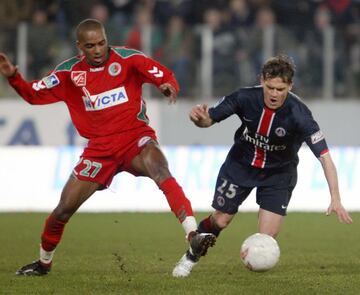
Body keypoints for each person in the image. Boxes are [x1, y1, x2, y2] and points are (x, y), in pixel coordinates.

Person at [0, 19, 216, 276]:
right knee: (63, 210)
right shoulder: (69, 73)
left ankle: (192, 233)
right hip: (99, 150)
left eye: (101, 43)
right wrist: (14, 77)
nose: (98, 50)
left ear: (106, 39)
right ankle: (43, 263)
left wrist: (168, 86)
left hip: (135, 138)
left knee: (161, 171)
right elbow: (33, 94)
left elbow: (163, 74)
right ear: (79, 46)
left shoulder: (128, 59)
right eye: (90, 46)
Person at [172, 54, 353, 277]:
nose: (274, 94)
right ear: (261, 80)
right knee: (220, 219)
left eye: (280, 89)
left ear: (290, 86)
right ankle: (191, 256)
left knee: (266, 240)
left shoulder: (301, 115)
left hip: (278, 174)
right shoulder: (244, 97)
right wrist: (199, 119)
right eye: (270, 87)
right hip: (240, 166)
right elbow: (209, 119)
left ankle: (251, 260)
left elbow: (325, 157)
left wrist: (335, 197)